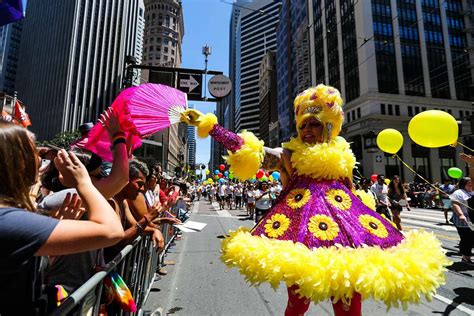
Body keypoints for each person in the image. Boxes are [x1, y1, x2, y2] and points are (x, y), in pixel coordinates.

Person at [181, 84, 448, 315]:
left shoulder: (342, 155)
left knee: (348, 301)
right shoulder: (288, 154)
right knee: (297, 302)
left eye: (314, 124)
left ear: (328, 126)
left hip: (345, 231)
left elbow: (350, 188)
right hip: (299, 234)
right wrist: (212, 127)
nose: (307, 130)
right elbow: (251, 150)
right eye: (303, 125)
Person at [0, 122, 124, 315]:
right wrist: (82, 182)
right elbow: (112, 231)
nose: (44, 160)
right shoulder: (9, 220)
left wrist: (54, 232)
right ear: (17, 162)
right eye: (38, 154)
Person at [449, 177, 474, 265]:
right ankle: (466, 258)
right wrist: (461, 215)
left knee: (470, 238)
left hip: (472, 219)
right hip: (463, 221)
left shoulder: (472, 192)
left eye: (471, 182)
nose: (471, 184)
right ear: (463, 184)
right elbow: (455, 204)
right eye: (468, 183)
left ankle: (466, 255)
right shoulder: (458, 192)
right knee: (467, 239)